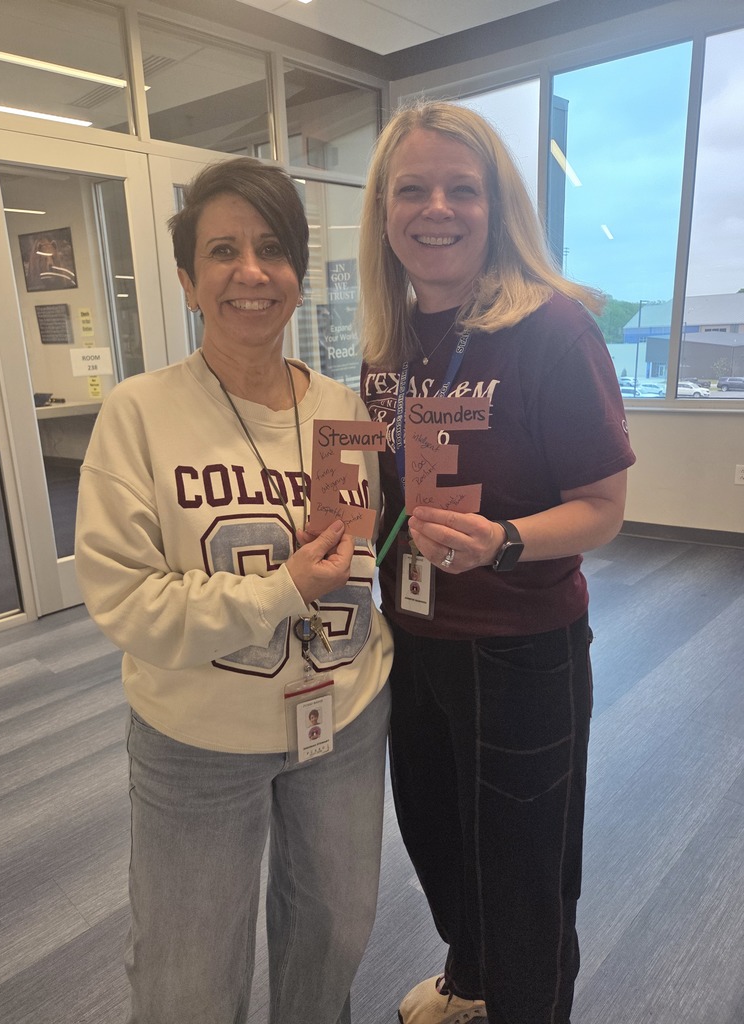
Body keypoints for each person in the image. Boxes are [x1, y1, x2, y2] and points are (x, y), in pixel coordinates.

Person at [75, 157, 392, 1024]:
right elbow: (127, 601)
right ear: (187, 281)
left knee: (334, 935)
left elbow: (370, 555)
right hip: (198, 737)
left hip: (343, 719)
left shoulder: (345, 411)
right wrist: (279, 591)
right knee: (188, 979)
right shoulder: (140, 413)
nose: (251, 272)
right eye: (222, 251)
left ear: (297, 276)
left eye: (272, 249)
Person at [358, 100, 636, 1024]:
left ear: (497, 206)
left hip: (520, 645)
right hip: (412, 638)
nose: (436, 208)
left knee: (524, 872)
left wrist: (504, 540)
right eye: (412, 189)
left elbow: (602, 509)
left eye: (462, 189)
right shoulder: (389, 342)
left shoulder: (555, 330)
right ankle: (472, 983)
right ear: (384, 211)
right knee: (440, 843)